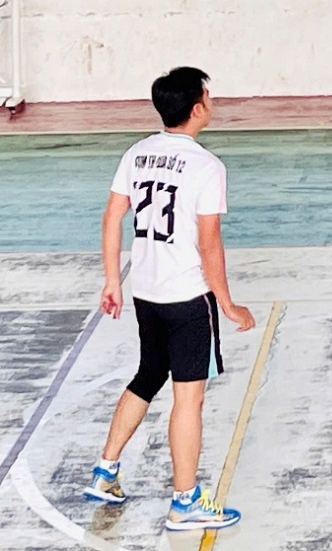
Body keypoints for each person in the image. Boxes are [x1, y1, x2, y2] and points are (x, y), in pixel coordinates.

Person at [84, 66, 256, 532]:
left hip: (147, 292)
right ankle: (184, 502)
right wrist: (226, 302)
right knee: (188, 398)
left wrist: (112, 280)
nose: (211, 102)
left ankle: (106, 470)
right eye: (208, 96)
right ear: (197, 108)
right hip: (187, 297)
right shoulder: (206, 166)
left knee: (148, 374)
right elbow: (209, 243)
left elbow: (112, 217)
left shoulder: (137, 153)